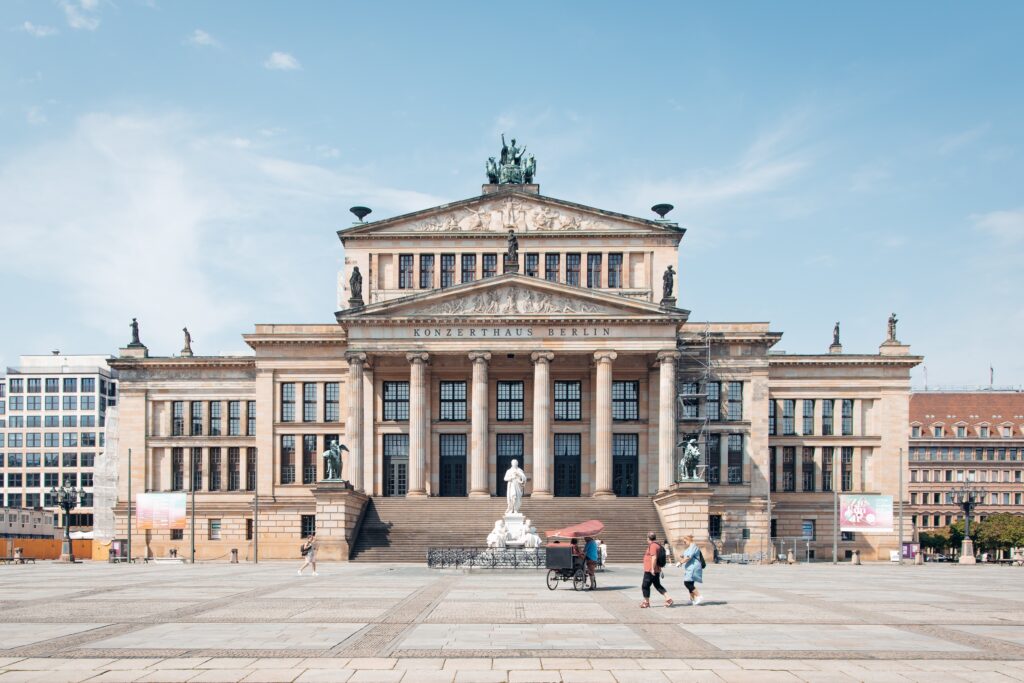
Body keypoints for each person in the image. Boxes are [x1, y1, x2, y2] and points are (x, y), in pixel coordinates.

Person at [640, 532, 672, 608]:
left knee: (645, 586)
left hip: (650, 570)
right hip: (655, 569)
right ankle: (668, 599)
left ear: (648, 538)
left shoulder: (653, 546)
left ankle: (646, 602)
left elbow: (654, 557)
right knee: (657, 585)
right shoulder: (657, 545)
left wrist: (652, 569)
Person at [675, 534, 704, 605]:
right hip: (690, 567)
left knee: (687, 583)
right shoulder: (689, 547)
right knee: (690, 583)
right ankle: (692, 599)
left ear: (688, 540)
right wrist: (682, 556)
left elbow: (688, 557)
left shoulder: (693, 546)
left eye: (685, 541)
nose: (684, 543)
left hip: (693, 567)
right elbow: (686, 555)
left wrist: (680, 562)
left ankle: (699, 596)